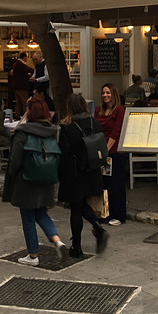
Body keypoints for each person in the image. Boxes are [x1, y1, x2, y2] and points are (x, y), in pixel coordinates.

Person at [2, 97, 68, 266]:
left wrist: (11, 177)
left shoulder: (23, 132)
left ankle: (33, 256)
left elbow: (15, 160)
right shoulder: (52, 131)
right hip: (46, 180)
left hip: (26, 181)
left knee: (28, 217)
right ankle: (57, 241)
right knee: (41, 213)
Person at [58, 93, 109, 258]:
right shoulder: (95, 122)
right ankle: (97, 227)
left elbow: (63, 154)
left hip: (74, 173)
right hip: (93, 170)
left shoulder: (67, 126)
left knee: (76, 207)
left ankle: (77, 246)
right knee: (82, 205)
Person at [95, 83, 126, 226]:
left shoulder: (119, 111)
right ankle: (104, 213)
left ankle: (118, 214)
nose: (105, 95)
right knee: (103, 184)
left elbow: (116, 132)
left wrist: (106, 150)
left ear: (113, 94)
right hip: (100, 151)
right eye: (103, 93)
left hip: (113, 152)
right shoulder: (98, 111)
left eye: (108, 93)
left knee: (115, 184)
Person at [11, 50, 34, 119]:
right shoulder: (20, 64)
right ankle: (25, 115)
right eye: (27, 57)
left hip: (16, 86)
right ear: (24, 57)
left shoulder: (16, 64)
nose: (27, 59)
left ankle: (17, 115)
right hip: (21, 86)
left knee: (18, 102)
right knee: (25, 101)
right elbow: (30, 70)